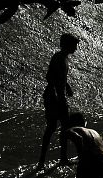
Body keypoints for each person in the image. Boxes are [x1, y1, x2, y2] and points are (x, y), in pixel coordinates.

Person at [38, 32, 79, 169]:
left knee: (59, 128)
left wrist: (67, 86)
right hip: (54, 98)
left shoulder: (63, 57)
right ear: (67, 45)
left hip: (56, 96)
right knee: (55, 128)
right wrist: (58, 96)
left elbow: (58, 76)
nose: (76, 48)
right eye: (74, 45)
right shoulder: (59, 59)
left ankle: (56, 159)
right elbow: (50, 77)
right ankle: (45, 161)